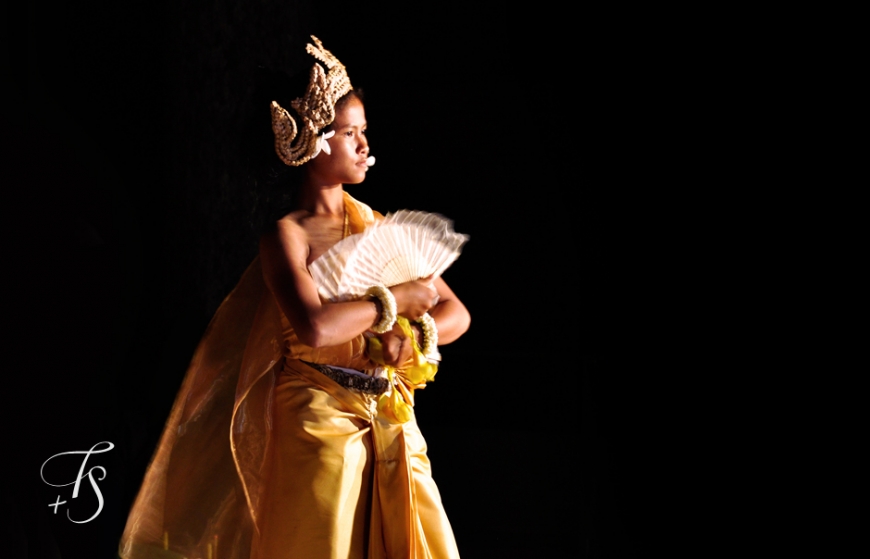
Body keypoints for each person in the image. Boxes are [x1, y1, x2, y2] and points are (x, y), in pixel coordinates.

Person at [119, 36, 469, 559]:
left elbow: (456, 313)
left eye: (364, 132)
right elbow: (316, 328)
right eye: (350, 133)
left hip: (388, 416)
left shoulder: (379, 225)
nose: (363, 146)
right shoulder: (288, 236)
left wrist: (410, 342)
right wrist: (393, 300)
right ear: (313, 142)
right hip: (316, 419)